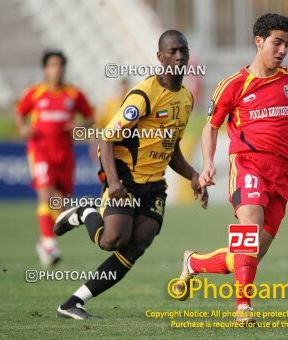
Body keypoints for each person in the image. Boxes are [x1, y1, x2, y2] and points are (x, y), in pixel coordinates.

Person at [174, 13, 288, 324]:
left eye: (287, 44)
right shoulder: (233, 85)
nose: (283, 50)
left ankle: (194, 263)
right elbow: (211, 127)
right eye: (277, 42)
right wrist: (206, 164)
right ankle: (243, 306)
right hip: (248, 165)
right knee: (249, 223)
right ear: (258, 41)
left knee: (250, 252)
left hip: (282, 174)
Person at [53, 30, 207, 319]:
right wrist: (113, 183)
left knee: (137, 245)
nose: (179, 56)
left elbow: (171, 148)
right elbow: (107, 139)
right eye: (172, 51)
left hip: (154, 185)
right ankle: (85, 213)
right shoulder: (143, 95)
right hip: (125, 178)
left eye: (183, 51)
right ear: (159, 57)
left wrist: (193, 176)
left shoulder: (186, 99)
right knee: (113, 241)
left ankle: (73, 303)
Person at [15, 50, 94, 267]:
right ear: (45, 69)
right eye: (52, 65)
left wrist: (79, 126)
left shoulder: (74, 95)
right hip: (40, 151)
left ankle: (44, 241)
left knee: (61, 203)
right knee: (45, 193)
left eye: (59, 65)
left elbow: (90, 118)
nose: (56, 69)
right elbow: (19, 112)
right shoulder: (35, 93)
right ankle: (49, 244)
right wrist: (23, 128)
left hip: (65, 153)